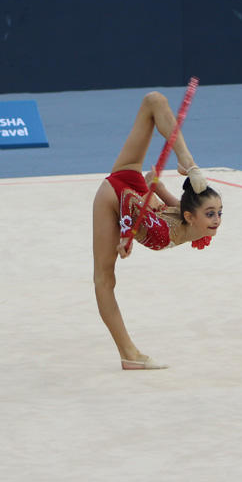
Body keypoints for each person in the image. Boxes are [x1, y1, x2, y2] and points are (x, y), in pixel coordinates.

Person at [92, 91, 223, 370]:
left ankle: (128, 352)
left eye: (218, 213)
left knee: (105, 280)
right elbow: (141, 203)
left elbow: (129, 204)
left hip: (120, 196)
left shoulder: (183, 225)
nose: (216, 220)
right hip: (125, 191)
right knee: (154, 100)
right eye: (211, 213)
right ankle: (188, 162)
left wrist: (130, 228)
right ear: (191, 215)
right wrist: (156, 189)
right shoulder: (180, 224)